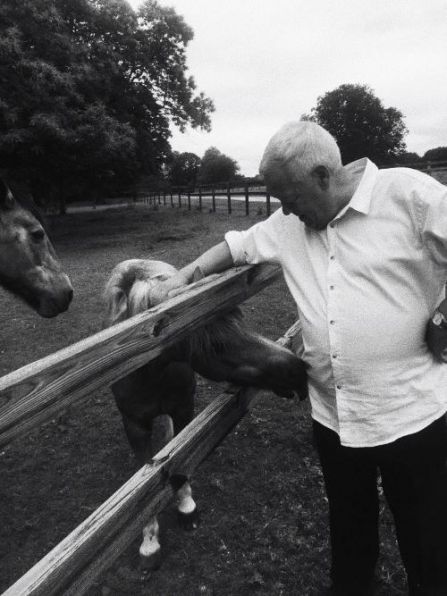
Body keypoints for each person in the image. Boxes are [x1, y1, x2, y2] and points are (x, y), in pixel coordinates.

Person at [150, 121, 447, 596]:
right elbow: (237, 244)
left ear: (324, 175)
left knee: (427, 538)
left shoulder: (409, 195)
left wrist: (444, 317)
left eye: (288, 197)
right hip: (335, 417)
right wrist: (188, 272)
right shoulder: (291, 223)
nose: (283, 209)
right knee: (349, 528)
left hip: (411, 416)